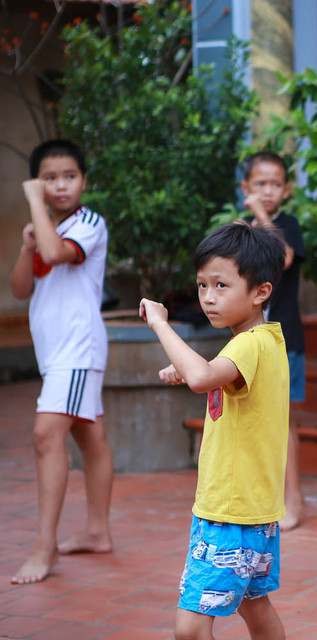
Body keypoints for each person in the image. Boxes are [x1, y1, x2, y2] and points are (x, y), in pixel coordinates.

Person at [140, 222, 288, 639]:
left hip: (228, 510)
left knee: (189, 627)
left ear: (260, 291)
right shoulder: (266, 340)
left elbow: (204, 377)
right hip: (256, 510)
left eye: (221, 285)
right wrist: (189, 370)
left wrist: (160, 324)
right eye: (202, 285)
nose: (208, 297)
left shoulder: (246, 345)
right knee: (255, 607)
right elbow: (212, 375)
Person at [10, 140, 115, 585]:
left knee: (44, 435)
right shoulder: (45, 229)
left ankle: (44, 547)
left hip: (77, 350)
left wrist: (33, 198)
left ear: (84, 181)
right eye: (49, 178)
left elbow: (55, 255)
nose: (59, 185)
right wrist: (25, 245)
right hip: (57, 355)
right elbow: (20, 289)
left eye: (69, 176)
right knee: (91, 438)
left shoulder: (88, 222)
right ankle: (97, 531)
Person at [241, 150, 307, 531]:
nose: (268, 191)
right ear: (245, 187)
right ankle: (264, 501)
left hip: (284, 339)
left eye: (275, 184)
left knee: (284, 423)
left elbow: (282, 257)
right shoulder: (242, 229)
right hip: (250, 342)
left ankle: (293, 501)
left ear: (287, 189)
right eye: (260, 184)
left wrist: (262, 218)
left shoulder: (287, 224)